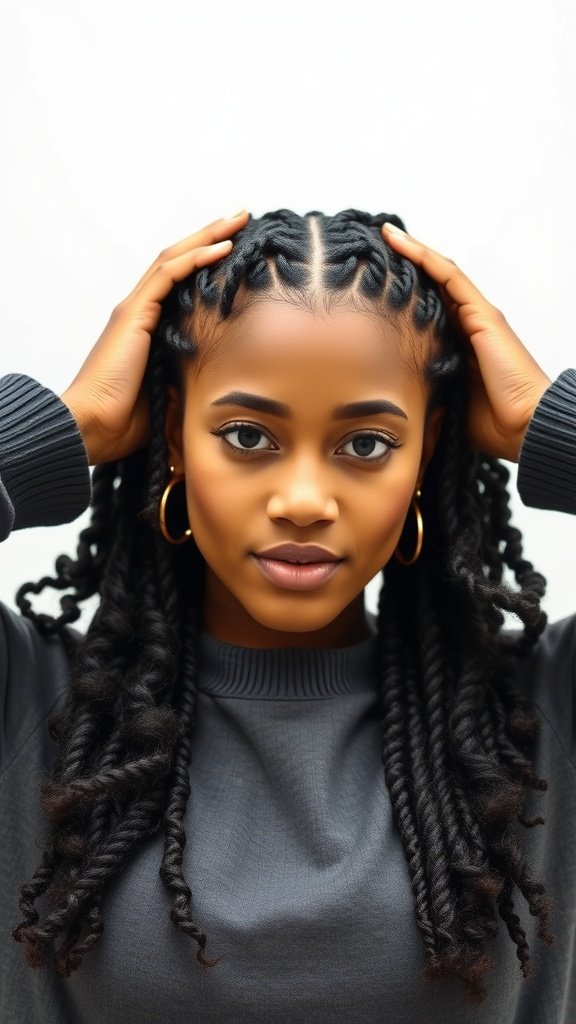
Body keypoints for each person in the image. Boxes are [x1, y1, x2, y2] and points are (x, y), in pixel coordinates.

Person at [0, 207, 574, 1024]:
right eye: (246, 435)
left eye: (367, 445)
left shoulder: (538, 725)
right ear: (172, 433)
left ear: (426, 453)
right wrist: (69, 423)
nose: (304, 501)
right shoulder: (34, 709)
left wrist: (542, 420)